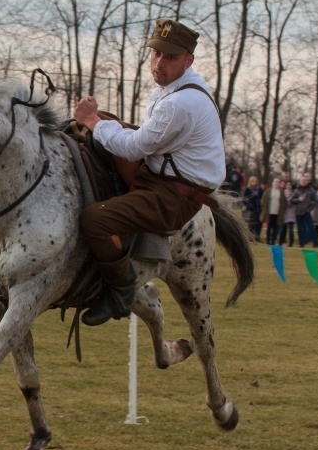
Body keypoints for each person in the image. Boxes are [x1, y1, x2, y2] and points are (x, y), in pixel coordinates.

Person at [72, 18, 223, 326]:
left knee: (94, 220)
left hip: (174, 194)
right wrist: (99, 122)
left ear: (188, 60)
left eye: (170, 57)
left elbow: (133, 148)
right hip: (161, 172)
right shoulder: (172, 89)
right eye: (156, 53)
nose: (159, 62)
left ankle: (120, 291)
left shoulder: (180, 102)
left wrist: (94, 122)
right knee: (102, 124)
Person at [291, 172, 318, 248]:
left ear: (307, 181)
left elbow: (316, 201)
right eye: (302, 180)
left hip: (306, 212)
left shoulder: (311, 190)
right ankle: (301, 243)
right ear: (300, 181)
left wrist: (310, 208)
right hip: (298, 212)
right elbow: (292, 200)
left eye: (305, 181)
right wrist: (298, 200)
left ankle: (315, 243)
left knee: (311, 227)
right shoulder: (296, 190)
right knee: (300, 228)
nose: (304, 182)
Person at [260, 177, 286, 245]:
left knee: (275, 228)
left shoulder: (281, 192)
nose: (276, 183)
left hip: (277, 213)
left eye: (278, 182)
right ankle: (268, 241)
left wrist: (282, 211)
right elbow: (263, 201)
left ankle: (273, 241)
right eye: (275, 182)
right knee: (269, 227)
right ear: (272, 183)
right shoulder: (268, 191)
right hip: (269, 212)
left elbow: (284, 202)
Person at [243, 175, 263, 241]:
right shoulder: (247, 190)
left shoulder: (260, 190)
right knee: (251, 224)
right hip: (250, 209)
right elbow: (244, 199)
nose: (254, 182)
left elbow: (262, 199)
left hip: (258, 209)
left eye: (255, 181)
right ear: (250, 182)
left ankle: (257, 236)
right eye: (252, 181)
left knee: (258, 223)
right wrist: (249, 200)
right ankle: (251, 237)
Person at [280, 180, 296, 246]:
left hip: (291, 213)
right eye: (287, 185)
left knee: (290, 230)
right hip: (284, 213)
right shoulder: (282, 193)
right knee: (282, 230)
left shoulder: (294, 194)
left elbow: (293, 202)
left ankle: (291, 243)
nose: (288, 186)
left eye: (290, 184)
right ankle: (281, 242)